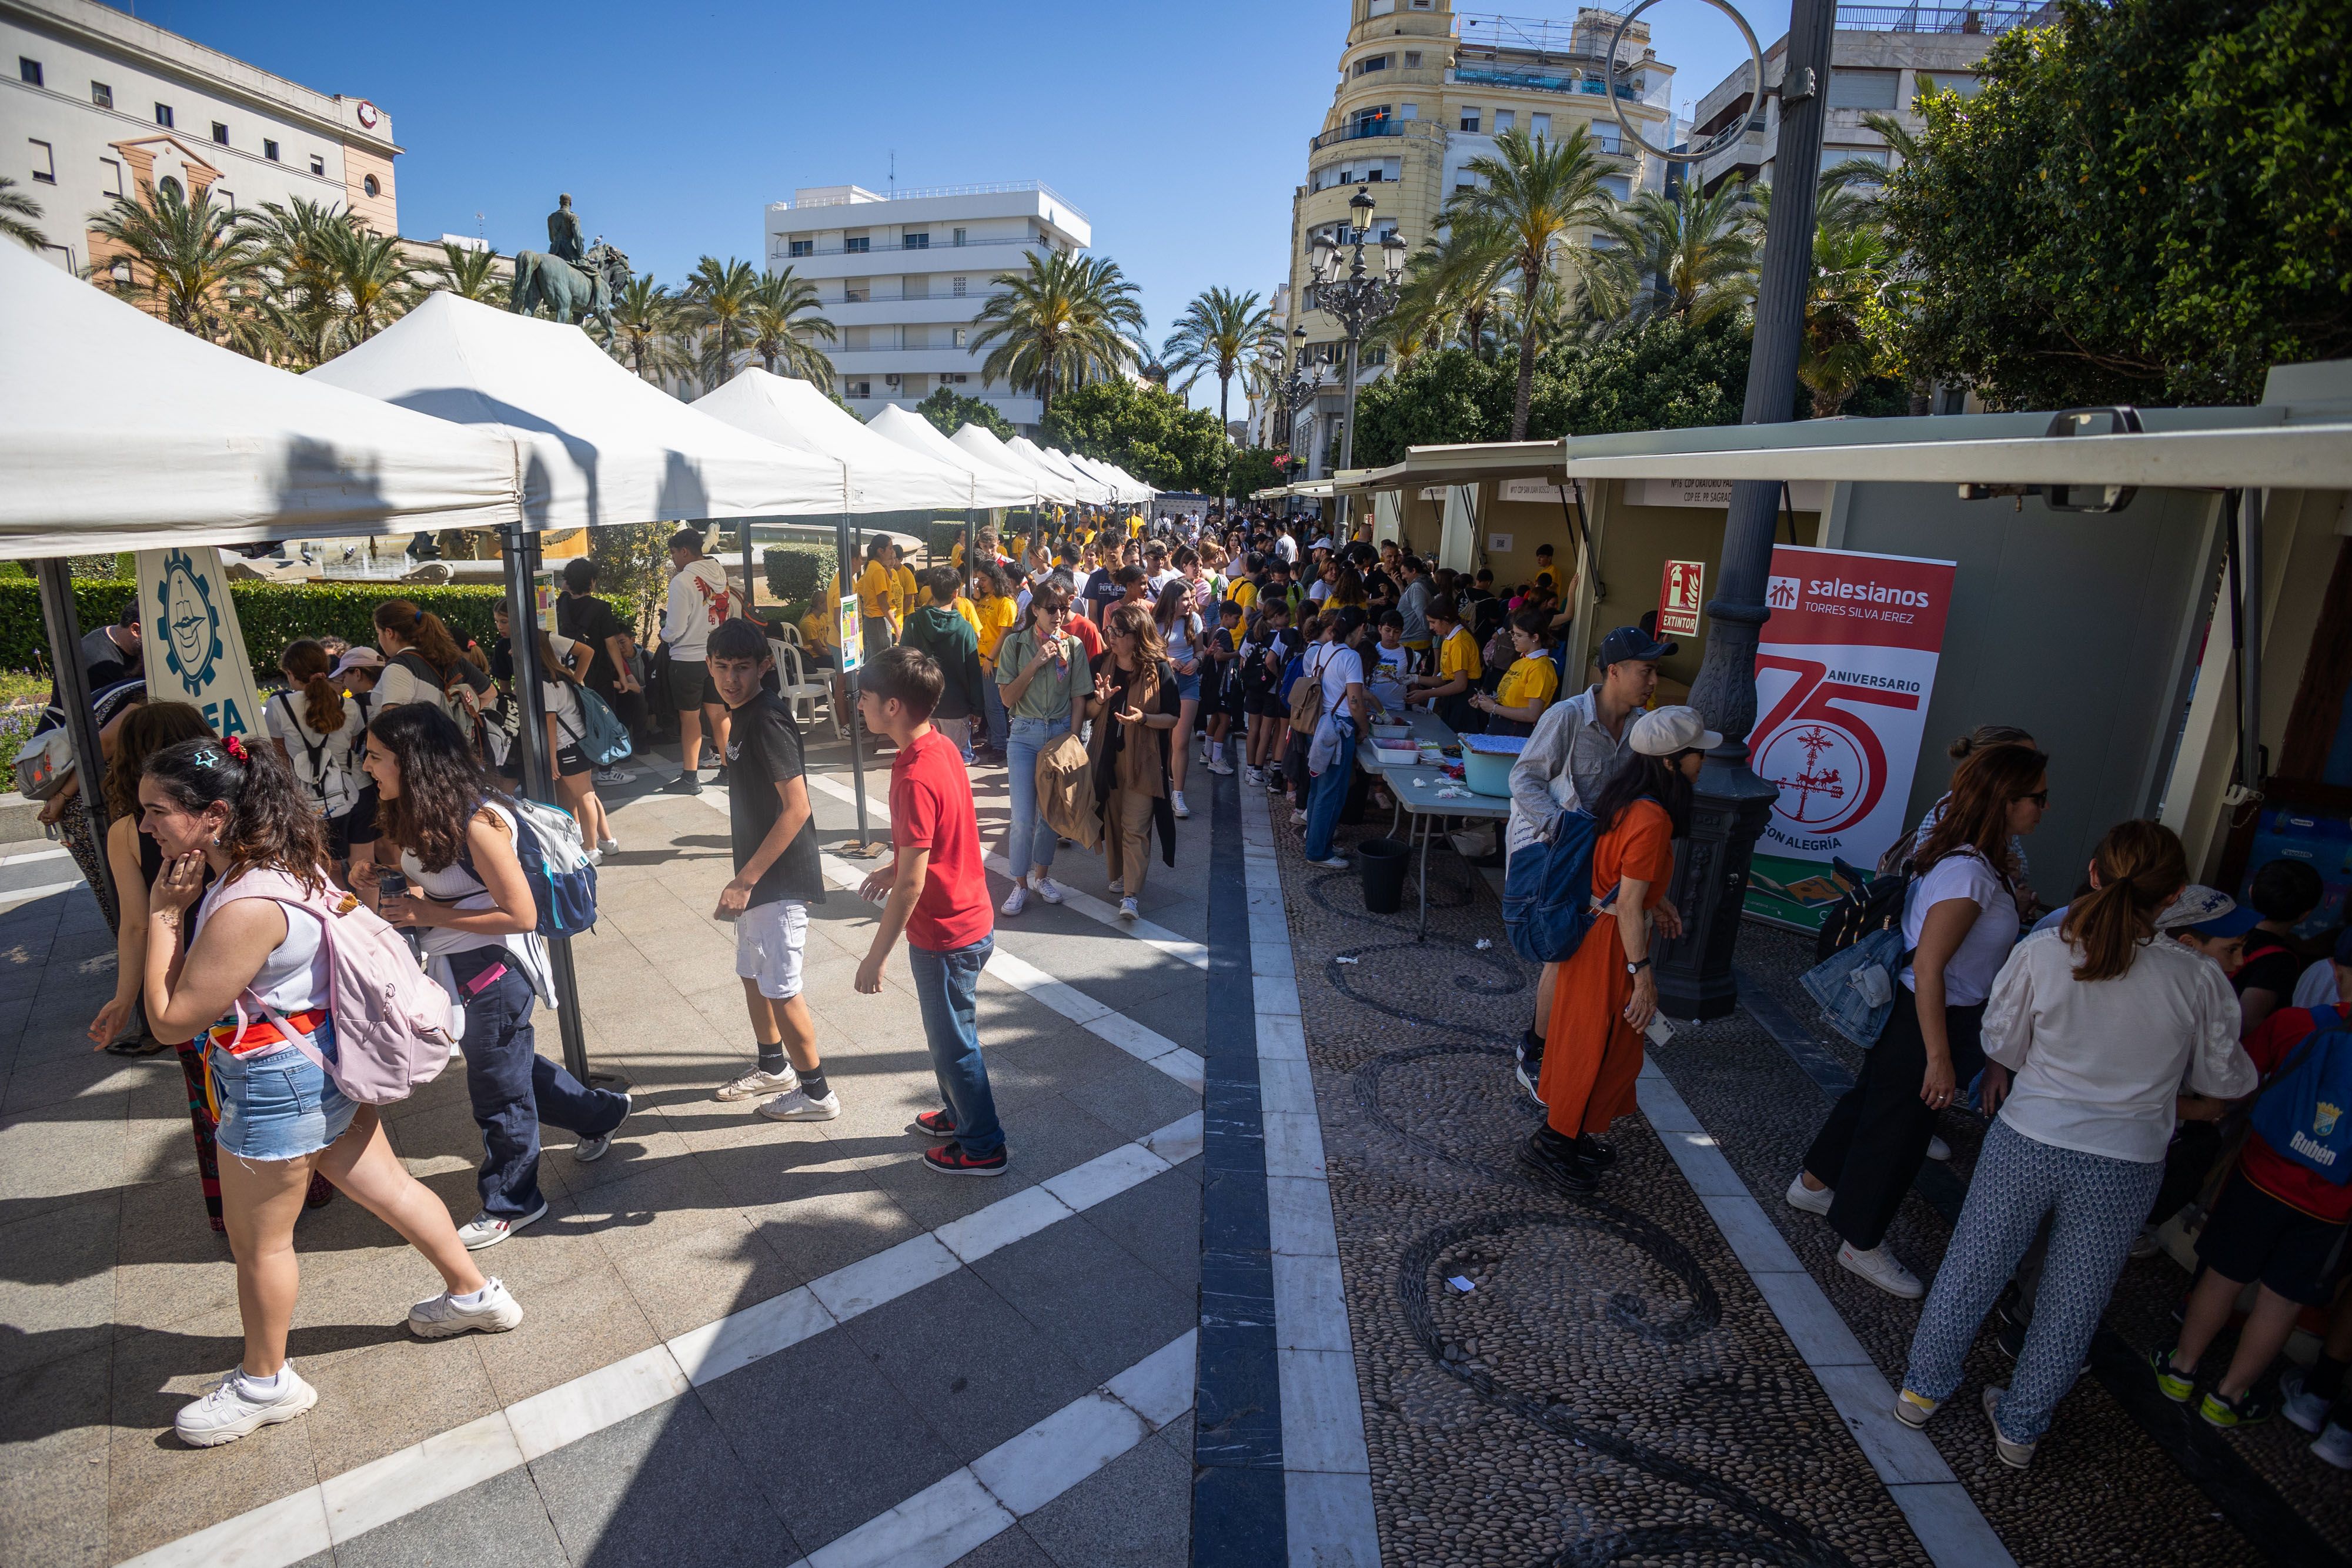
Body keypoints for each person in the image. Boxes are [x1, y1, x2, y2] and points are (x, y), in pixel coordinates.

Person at [139, 734, 523, 1447]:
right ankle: (475, 1294)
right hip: (322, 1062)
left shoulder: (241, 905)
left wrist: (164, 914)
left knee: (261, 1245)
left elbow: (169, 1021)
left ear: (215, 816)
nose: (146, 825)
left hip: (273, 1079)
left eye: (158, 810)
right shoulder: (290, 864)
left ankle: (266, 1383)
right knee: (392, 1188)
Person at [1895, 821, 2253, 1470]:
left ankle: (1920, 1392)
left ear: (2093, 874)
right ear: (2173, 896)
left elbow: (2001, 1045)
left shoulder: (2043, 952)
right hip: (2127, 1159)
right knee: (2075, 1300)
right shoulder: (2197, 980)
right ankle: (2020, 1429)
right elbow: (2225, 1080)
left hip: (2029, 1136)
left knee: (1971, 1268)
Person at [363, 705, 633, 1249]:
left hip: (496, 966)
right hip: (457, 961)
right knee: (507, 1065)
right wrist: (383, 876)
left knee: (496, 1084)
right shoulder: (419, 809)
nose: (367, 766)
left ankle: (514, 1200)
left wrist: (426, 914)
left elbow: (521, 914)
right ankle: (601, 1112)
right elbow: (441, 883)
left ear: (412, 762)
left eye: (376, 757)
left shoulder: (477, 821)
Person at [1791, 742, 2049, 1298]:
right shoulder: (1972, 874)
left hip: (1923, 1012)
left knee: (1873, 1104)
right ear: (2005, 801)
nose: (2044, 808)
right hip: (1931, 1015)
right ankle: (1860, 1242)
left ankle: (1814, 1184)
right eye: (2038, 798)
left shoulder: (1973, 860)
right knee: (1899, 1134)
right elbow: (1930, 967)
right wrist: (1940, 1058)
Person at [2151, 924, 2352, 1429]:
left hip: (2261, 1174)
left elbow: (2236, 1079)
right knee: (2282, 1299)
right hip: (2334, 1204)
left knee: (2223, 1274)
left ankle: (2181, 1368)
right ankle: (2229, 1396)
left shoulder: (2297, 1023)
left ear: (2334, 971)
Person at [1521, 708, 1713, 1189]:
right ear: (1672, 762)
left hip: (1597, 934)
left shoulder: (1628, 798)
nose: (1702, 761)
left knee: (1596, 1041)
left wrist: (1658, 898)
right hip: (1610, 944)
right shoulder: (1653, 817)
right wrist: (1642, 974)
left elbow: (1621, 876)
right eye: (1697, 753)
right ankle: (1555, 1141)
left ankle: (1571, 1130)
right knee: (1597, 1044)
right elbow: (1627, 903)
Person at [852, 646, 1009, 1176]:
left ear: (893, 705)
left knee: (953, 1044)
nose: (860, 706)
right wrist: (894, 865)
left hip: (946, 933)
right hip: (968, 916)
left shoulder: (915, 774)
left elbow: (914, 883)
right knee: (948, 1036)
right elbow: (929, 846)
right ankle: (960, 1114)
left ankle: (983, 1145)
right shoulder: (936, 746)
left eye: (865, 698)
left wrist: (876, 956)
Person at [1505, 625, 1669, 1098]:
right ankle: (1536, 1051)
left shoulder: (1642, 726)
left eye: (1655, 671)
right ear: (1614, 671)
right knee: (1562, 952)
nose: (1653, 680)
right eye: (1647, 670)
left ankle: (1565, 1048)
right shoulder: (1567, 717)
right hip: (1556, 854)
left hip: (1606, 863)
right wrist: (1561, 829)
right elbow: (1524, 780)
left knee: (1583, 957)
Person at [694, 620, 840, 1121]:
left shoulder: (768, 719)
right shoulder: (741, 715)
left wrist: (745, 879)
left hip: (777, 878)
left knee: (781, 987)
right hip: (760, 877)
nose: (731, 678)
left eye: (741, 667)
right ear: (709, 665)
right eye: (722, 667)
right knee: (752, 975)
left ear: (764, 666)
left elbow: (796, 808)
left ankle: (818, 1093)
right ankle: (773, 1066)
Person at [1081, 603, 1181, 921]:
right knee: (1112, 821)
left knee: (1136, 826)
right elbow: (1088, 714)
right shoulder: (1100, 664)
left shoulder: (1159, 668)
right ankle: (1122, 874)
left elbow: (1173, 718)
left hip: (1144, 761)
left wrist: (1145, 718)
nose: (1110, 636)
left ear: (1136, 637)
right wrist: (1100, 700)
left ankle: (1131, 896)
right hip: (1106, 757)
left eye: (1118, 633)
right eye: (1110, 630)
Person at [994, 581, 1086, 917]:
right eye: (1051, 609)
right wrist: (1035, 663)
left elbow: (1079, 697)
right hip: (1024, 733)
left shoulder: (1073, 646)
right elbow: (1006, 699)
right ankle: (1019, 885)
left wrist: (1073, 740)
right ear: (1035, 610)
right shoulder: (1016, 646)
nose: (1059, 616)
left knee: (1050, 815)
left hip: (1059, 733)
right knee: (1021, 818)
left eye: (1063, 608)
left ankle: (1042, 877)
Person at [266, 640, 368, 878]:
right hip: (354, 791)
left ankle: (333, 914)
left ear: (291, 674)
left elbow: (279, 755)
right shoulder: (350, 706)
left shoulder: (278, 705)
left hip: (309, 799)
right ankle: (367, 914)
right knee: (363, 866)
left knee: (323, 870)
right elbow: (356, 744)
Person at [519, 627, 617, 860]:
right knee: (589, 794)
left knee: (584, 796)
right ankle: (607, 840)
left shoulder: (545, 683)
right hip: (580, 742)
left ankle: (591, 849)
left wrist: (551, 756)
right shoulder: (564, 676)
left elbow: (550, 721)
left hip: (567, 747)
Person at [658, 527, 736, 794]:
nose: (674, 561)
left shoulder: (682, 582)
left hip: (687, 658)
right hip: (716, 656)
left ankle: (690, 778)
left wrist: (663, 633)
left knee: (689, 718)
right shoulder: (720, 574)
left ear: (685, 551)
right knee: (719, 713)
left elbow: (676, 627)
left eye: (674, 555)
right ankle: (729, 770)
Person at [1301, 606, 1376, 870]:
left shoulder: (1324, 649)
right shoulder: (1352, 657)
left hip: (1320, 723)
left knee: (1318, 788)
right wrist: (1364, 728)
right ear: (1361, 629)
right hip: (1339, 728)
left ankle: (1317, 841)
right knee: (1331, 792)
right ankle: (1318, 851)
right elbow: (1355, 701)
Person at [556, 558, 642, 785]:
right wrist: (622, 677)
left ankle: (584, 767)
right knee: (603, 719)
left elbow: (565, 589)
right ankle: (606, 770)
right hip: (598, 674)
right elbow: (611, 644)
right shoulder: (601, 608)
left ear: (568, 581)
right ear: (592, 582)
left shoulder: (561, 602)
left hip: (569, 671)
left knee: (577, 718)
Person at [901, 566, 985, 764]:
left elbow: (903, 662)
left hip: (922, 705)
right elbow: (973, 672)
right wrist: (978, 708)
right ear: (956, 593)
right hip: (956, 706)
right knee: (955, 763)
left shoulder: (913, 621)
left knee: (926, 760)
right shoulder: (965, 629)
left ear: (931, 590)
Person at [2236, 858, 2323, 1036]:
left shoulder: (2226, 934)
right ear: (2305, 915)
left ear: (2251, 892)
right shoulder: (2279, 960)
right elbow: (2248, 1021)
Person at [1155, 579, 1208, 820]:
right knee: (1163, 741)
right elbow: (1148, 651)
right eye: (1185, 599)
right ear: (1172, 600)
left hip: (1188, 682)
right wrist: (1167, 660)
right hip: (1162, 683)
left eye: (1191, 598)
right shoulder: (1154, 622)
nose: (1190, 603)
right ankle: (1162, 781)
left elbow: (1201, 649)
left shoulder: (1194, 620)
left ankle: (1178, 794)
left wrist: (1197, 661)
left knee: (1181, 741)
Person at [1469, 609, 1559, 738]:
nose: (1513, 639)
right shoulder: (1520, 662)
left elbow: (1532, 713)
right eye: (1513, 634)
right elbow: (1512, 700)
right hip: (1500, 725)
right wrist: (1486, 701)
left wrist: (1494, 708)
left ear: (1535, 637)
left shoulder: (1541, 668)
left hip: (1517, 731)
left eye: (1519, 635)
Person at [1406, 596, 1483, 731]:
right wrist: (1415, 678)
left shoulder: (1460, 642)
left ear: (1446, 619)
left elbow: (1460, 684)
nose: (1431, 627)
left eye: (1433, 622)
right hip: (1453, 698)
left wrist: (1426, 694)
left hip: (1465, 701)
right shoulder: (1449, 638)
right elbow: (1445, 679)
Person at [971, 564, 1019, 757]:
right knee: (988, 704)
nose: (980, 583)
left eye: (983, 579)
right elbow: (971, 617)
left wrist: (991, 658)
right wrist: (976, 597)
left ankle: (1000, 744)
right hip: (981, 658)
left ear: (994, 579)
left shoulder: (1006, 602)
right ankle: (993, 739)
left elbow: (1004, 634)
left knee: (994, 704)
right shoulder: (985, 597)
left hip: (996, 661)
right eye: (979, 579)